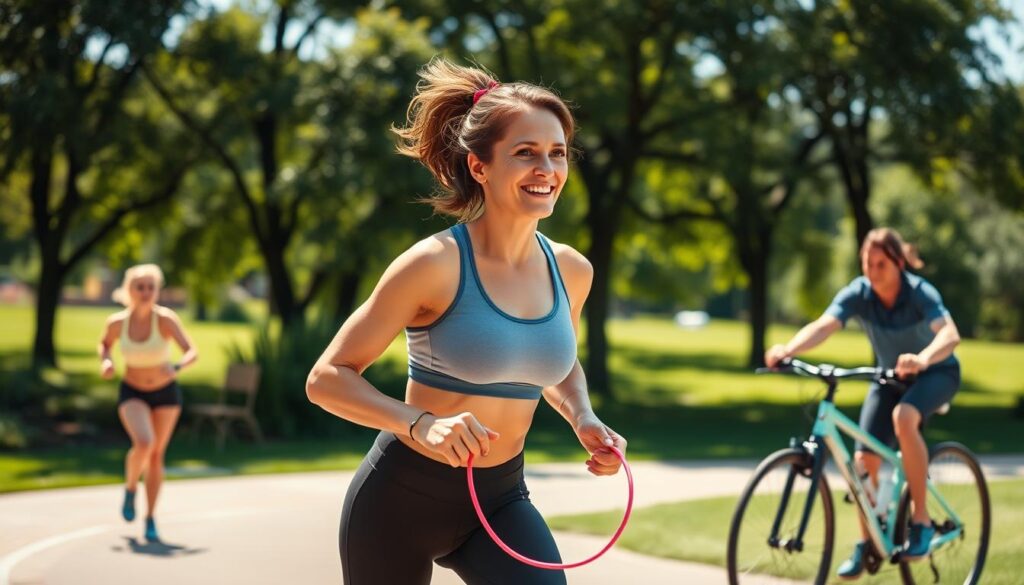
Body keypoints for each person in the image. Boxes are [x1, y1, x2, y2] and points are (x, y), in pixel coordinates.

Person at [306, 57, 627, 585]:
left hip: (501, 500)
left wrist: (583, 417)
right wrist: (422, 424)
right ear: (480, 167)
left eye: (557, 153)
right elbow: (325, 379)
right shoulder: (432, 265)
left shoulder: (572, 270)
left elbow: (557, 361)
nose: (546, 169)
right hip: (400, 500)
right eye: (525, 153)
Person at [765, 228, 961, 580]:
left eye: (881, 264)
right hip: (890, 379)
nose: (872, 271)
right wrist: (788, 349)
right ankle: (868, 541)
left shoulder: (919, 293)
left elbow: (949, 334)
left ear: (899, 263)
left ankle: (922, 521)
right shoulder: (861, 293)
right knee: (861, 461)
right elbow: (825, 325)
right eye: (867, 263)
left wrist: (923, 358)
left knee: (904, 417)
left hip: (936, 374)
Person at [99, 264, 198, 542]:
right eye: (139, 287)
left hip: (166, 394)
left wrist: (177, 367)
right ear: (129, 290)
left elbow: (192, 351)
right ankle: (131, 488)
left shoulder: (165, 319)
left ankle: (151, 518)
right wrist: (106, 360)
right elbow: (104, 344)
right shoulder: (117, 322)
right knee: (144, 443)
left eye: (150, 287)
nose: (145, 292)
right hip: (133, 390)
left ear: (157, 290)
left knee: (156, 456)